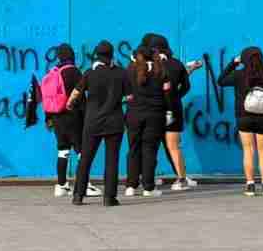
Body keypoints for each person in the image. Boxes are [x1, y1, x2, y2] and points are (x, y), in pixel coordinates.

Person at [67, 40, 132, 207]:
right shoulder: (121, 73)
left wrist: (70, 104)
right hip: (114, 122)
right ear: (111, 56)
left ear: (97, 55)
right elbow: (130, 97)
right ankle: (109, 198)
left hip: (92, 122)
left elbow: (76, 93)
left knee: (86, 159)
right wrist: (117, 100)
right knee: (112, 160)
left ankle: (78, 195)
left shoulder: (89, 73)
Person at [219, 47, 263, 197]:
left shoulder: (239, 74)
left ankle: (250, 185)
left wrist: (233, 63)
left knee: (248, 150)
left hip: (243, 116)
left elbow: (221, 80)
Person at [43, 43, 100, 198]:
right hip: (74, 117)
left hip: (57, 117)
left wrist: (48, 118)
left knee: (63, 151)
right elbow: (80, 97)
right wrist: (86, 116)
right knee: (82, 151)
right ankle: (84, 184)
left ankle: (61, 186)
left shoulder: (54, 72)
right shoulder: (75, 72)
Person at [151, 35, 204, 191]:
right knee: (174, 146)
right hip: (174, 109)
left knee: (150, 147)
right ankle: (181, 179)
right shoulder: (176, 64)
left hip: (154, 109)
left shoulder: (150, 66)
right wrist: (175, 97)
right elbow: (185, 86)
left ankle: (147, 178)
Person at [123, 46, 168, 198]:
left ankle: (131, 185)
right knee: (150, 150)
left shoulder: (130, 70)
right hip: (155, 115)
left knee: (133, 148)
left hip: (134, 114)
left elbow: (126, 92)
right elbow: (167, 92)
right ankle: (148, 187)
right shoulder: (160, 70)